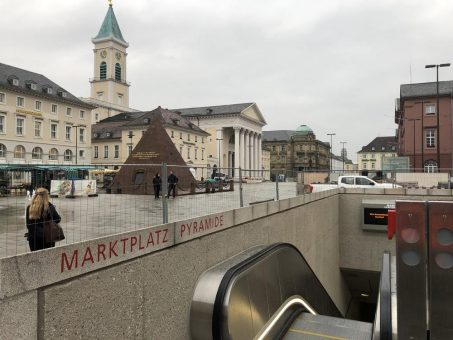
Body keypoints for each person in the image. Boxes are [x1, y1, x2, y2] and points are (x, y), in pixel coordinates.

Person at [26, 187, 61, 251]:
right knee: (48, 257)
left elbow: (28, 225)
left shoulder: (29, 207)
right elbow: (58, 219)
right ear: (46, 196)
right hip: (48, 237)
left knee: (35, 258)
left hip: (33, 238)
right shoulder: (49, 207)